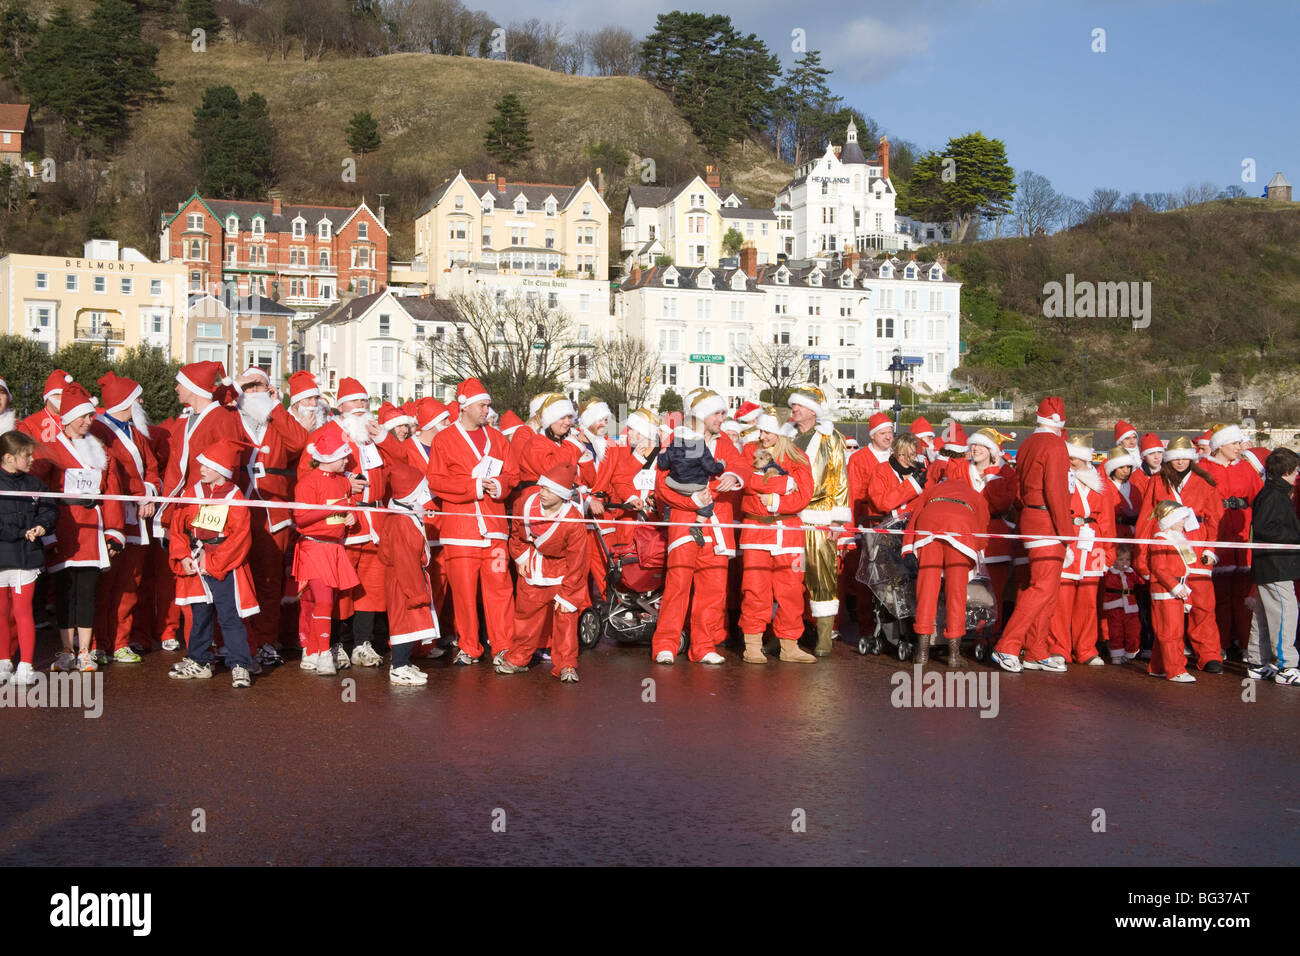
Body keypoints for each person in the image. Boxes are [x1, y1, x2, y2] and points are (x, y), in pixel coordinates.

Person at [32, 382, 126, 673]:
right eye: (83, 417)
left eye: (90, 417)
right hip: (64, 527)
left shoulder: (101, 450)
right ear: (68, 418)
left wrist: (114, 531)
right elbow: (40, 491)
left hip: (91, 528)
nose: (89, 421)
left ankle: (84, 651)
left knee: (87, 591)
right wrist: (46, 533)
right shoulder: (49, 450)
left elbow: (111, 492)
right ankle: (64, 649)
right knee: (64, 591)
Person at [426, 377, 518, 665]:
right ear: (464, 407)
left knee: (500, 588)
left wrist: (499, 485)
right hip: (460, 531)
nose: (486, 410)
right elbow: (436, 482)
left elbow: (512, 474)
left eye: (488, 405)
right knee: (464, 593)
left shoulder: (498, 438)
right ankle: (469, 645)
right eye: (482, 405)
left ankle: (503, 644)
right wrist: (474, 487)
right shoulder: (444, 439)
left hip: (494, 529)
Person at [650, 388, 745, 664]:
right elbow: (661, 486)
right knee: (677, 584)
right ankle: (665, 643)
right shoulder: (677, 439)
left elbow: (741, 467)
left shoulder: (725, 441)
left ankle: (703, 646)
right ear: (702, 415)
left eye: (723, 412)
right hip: (685, 523)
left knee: (713, 589)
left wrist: (734, 476)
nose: (722, 417)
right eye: (717, 412)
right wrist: (693, 500)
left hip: (718, 527)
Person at [166, 439, 260, 687]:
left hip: (224, 563)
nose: (202, 469)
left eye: (207, 465)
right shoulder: (192, 491)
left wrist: (216, 562)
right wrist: (183, 555)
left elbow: (240, 536)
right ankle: (199, 660)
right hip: (197, 560)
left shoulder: (234, 496)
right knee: (200, 614)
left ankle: (240, 664)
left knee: (230, 616)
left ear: (222, 469)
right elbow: (177, 526)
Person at [991, 396, 1072, 674]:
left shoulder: (1027, 444)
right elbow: (1057, 492)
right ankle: (1008, 646)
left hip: (1030, 518)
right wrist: (1067, 533)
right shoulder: (1055, 445)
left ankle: (1037, 650)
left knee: (1041, 588)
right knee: (1043, 588)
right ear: (1060, 420)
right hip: (1047, 521)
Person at [234, 367, 309, 666]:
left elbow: (299, 442)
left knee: (268, 580)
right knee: (236, 579)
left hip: (273, 511)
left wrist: (275, 406)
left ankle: (265, 640)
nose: (253, 391)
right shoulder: (231, 417)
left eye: (259, 385)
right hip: (237, 508)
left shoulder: (276, 419)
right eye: (248, 386)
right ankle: (236, 640)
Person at [1135, 435, 1224, 673]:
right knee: (1168, 610)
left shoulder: (1205, 481)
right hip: (1167, 549)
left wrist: (1209, 549)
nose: (1181, 462)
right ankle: (1167, 659)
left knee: (1204, 604)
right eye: (1177, 458)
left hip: (1196, 546)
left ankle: (1209, 654)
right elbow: (1146, 518)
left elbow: (1215, 518)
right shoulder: (1157, 481)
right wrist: (1141, 556)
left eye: (1186, 458)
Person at [89, 372, 160, 663]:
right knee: (106, 584)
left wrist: (150, 492)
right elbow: (110, 474)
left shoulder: (136, 431)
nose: (141, 402)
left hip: (139, 517)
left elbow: (152, 467)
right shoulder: (98, 431)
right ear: (125, 401)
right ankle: (98, 642)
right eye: (137, 398)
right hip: (113, 517)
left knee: (132, 582)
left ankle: (120, 641)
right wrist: (141, 494)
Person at [496, 461, 589, 683]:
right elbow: (516, 535)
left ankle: (566, 663)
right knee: (526, 616)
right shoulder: (526, 504)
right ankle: (518, 658)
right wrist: (520, 556)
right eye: (543, 487)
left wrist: (568, 593)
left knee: (566, 619)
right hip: (533, 565)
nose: (543, 493)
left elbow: (577, 560)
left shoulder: (573, 521)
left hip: (561, 571)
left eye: (550, 490)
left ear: (563, 495)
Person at [737, 408, 814, 664]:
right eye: (760, 430)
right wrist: (783, 486)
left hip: (790, 535)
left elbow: (803, 496)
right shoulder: (750, 451)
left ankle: (790, 645)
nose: (762, 436)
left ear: (780, 433)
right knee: (754, 589)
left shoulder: (798, 457)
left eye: (767, 431)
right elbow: (748, 482)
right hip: (756, 532)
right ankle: (753, 645)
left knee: (792, 591)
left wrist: (772, 500)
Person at [902, 458, 991, 667]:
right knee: (956, 594)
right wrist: (976, 548)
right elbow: (982, 527)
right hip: (960, 533)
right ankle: (953, 654)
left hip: (929, 529)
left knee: (926, 591)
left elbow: (916, 513)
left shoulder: (936, 488)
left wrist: (909, 543)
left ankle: (922, 652)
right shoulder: (974, 494)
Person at [787, 384, 851, 657]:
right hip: (788, 516)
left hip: (819, 515)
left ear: (812, 410)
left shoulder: (831, 438)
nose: (794, 409)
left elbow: (840, 479)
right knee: (787, 577)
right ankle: (784, 634)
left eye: (799, 405)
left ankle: (824, 636)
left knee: (821, 575)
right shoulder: (785, 436)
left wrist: (838, 520)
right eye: (793, 405)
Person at [293, 427, 362, 676]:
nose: (347, 461)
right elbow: (300, 519)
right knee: (322, 600)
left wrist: (350, 517)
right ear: (329, 458)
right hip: (314, 546)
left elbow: (347, 510)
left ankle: (311, 649)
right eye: (343, 457)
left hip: (334, 548)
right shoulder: (308, 483)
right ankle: (323, 653)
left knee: (315, 601)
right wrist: (332, 509)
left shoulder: (343, 482)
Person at [1050, 433, 1115, 666]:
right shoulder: (1058, 478)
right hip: (1069, 541)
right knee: (1062, 599)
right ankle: (1059, 648)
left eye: (1075, 458)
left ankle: (1086, 648)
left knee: (1088, 600)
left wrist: (1109, 551)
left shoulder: (1100, 484)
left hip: (1093, 542)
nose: (1072, 462)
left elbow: (1107, 520)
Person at [0, 431, 59, 686]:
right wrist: (19, 532)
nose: (32, 459)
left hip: (26, 558)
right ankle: (3, 661)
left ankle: (26, 664)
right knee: (1, 613)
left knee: (23, 612)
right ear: (8, 457)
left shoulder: (34, 484)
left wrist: (43, 526)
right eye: (26, 455)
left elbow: (50, 507)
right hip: (2, 558)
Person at [1199, 423, 1262, 657]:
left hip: (1242, 534)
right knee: (1219, 595)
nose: (1239, 448)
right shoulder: (1204, 468)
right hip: (1217, 536)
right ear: (1220, 445)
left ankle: (1245, 643)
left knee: (1244, 595)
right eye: (1235, 443)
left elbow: (1259, 498)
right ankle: (1222, 642)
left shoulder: (1246, 469)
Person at [378, 463, 440, 686]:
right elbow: (405, 560)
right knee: (403, 622)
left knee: (411, 622)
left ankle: (403, 662)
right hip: (404, 579)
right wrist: (416, 592)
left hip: (408, 576)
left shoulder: (406, 515)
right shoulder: (400, 522)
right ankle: (398, 666)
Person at [1244, 448, 1300, 684]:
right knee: (1285, 614)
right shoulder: (1273, 496)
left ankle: (1258, 661)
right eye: (1295, 469)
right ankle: (1286, 664)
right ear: (1286, 470)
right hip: (1275, 566)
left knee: (1264, 615)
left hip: (1273, 565)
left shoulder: (1273, 493)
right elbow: (1266, 528)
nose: (1297, 474)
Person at [1140, 500, 1203, 683]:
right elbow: (1159, 569)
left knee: (1169, 630)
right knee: (1170, 632)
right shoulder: (1160, 540)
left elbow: (1186, 566)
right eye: (1180, 519)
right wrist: (1175, 587)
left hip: (1177, 590)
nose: (1184, 522)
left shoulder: (1176, 538)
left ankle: (1158, 667)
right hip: (1167, 590)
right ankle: (1175, 670)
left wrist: (1183, 592)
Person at [658, 417, 726, 547]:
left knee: (668, 497)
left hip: (674, 483)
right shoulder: (699, 445)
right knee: (708, 503)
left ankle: (667, 511)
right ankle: (698, 525)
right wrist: (721, 465)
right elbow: (711, 468)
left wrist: (662, 455)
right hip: (695, 486)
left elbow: (663, 465)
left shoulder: (675, 443)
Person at [1102, 543, 1142, 663]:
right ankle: (1116, 654)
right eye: (1121, 559)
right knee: (1116, 632)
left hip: (1131, 607)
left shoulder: (1132, 573)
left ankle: (1130, 652)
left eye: (1127, 559)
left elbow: (1141, 581)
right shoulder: (1109, 573)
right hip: (1115, 606)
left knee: (1134, 632)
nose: (1125, 562)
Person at [19, 369, 73, 444]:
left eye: (65, 395)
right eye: (57, 395)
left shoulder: (75, 420)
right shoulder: (29, 423)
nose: (62, 399)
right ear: (47, 397)